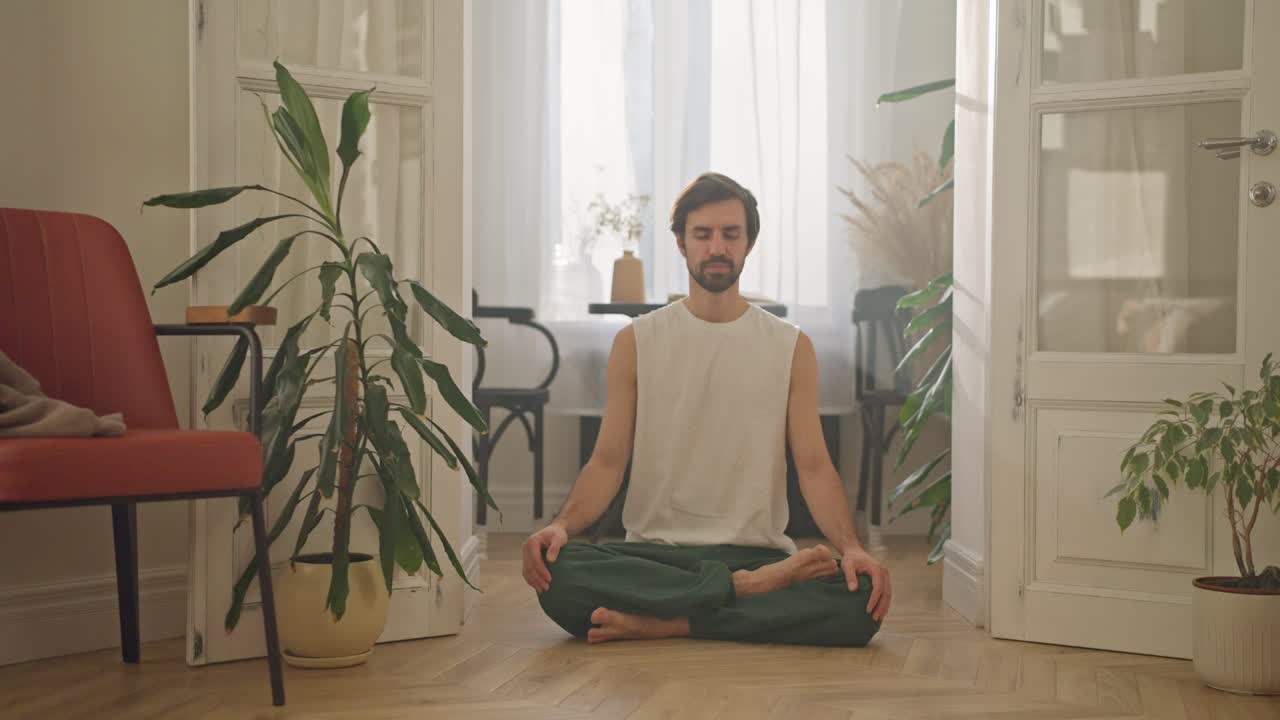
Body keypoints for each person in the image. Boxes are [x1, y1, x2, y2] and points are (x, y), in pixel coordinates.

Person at [523, 172, 891, 646]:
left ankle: (668, 621)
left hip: (757, 554)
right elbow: (608, 461)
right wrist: (560, 526)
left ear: (749, 242)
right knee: (560, 572)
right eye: (703, 234)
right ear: (681, 243)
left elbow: (815, 466)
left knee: (861, 601)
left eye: (730, 234)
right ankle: (741, 594)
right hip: (656, 558)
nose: (717, 247)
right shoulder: (635, 342)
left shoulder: (791, 347)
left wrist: (853, 548)